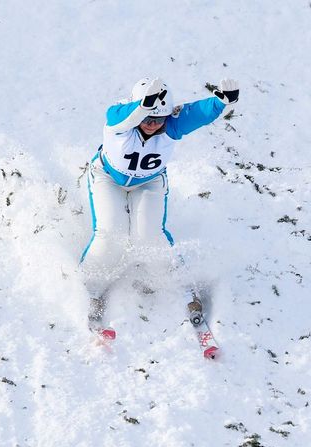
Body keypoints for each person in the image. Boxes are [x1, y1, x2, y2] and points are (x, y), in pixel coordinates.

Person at [80, 76, 239, 333]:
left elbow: (195, 113)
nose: (153, 125)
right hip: (107, 178)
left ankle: (183, 285)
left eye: (159, 119)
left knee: (149, 236)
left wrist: (220, 102)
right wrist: (142, 107)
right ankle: (93, 287)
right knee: (110, 233)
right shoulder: (118, 119)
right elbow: (123, 116)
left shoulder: (170, 127)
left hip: (149, 182)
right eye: (147, 119)